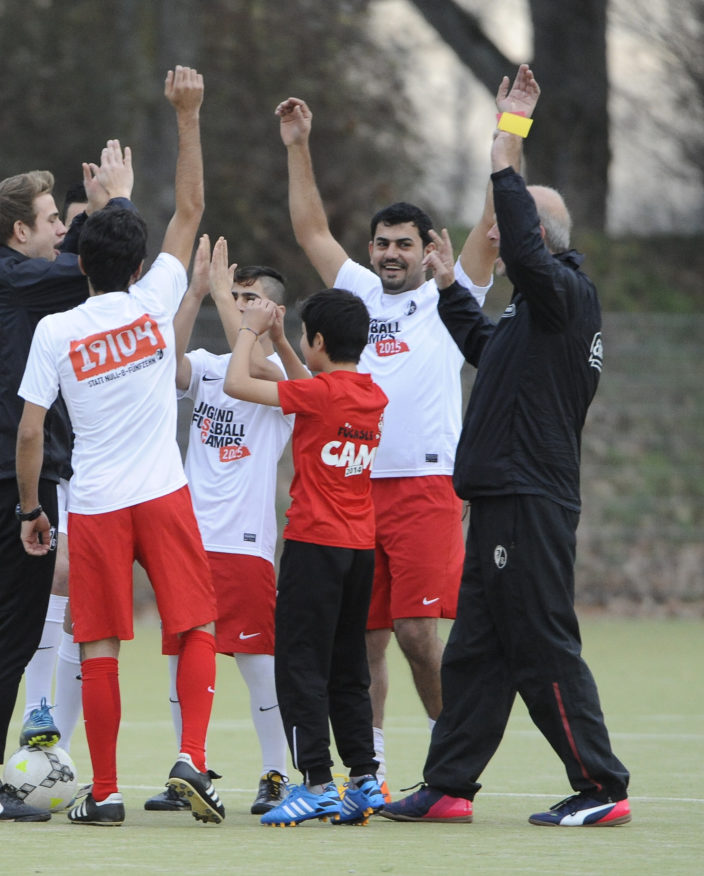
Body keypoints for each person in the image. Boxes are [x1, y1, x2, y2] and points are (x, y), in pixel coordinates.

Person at [380, 66, 631, 828]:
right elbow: (485, 347)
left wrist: (506, 145)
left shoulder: (561, 291)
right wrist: (453, 285)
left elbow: (521, 238)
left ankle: (601, 787)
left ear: (535, 241)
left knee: (540, 644)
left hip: (527, 499)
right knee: (476, 654)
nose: (495, 230)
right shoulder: (537, 317)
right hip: (500, 500)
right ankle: (450, 785)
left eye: (506, 226)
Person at [274, 68, 536, 793]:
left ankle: (452, 769)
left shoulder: (453, 294)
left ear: (428, 248)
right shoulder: (356, 290)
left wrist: (508, 129)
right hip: (354, 489)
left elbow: (493, 221)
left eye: (402, 244)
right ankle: (374, 769)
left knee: (422, 635)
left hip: (424, 486)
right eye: (381, 243)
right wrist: (299, 145)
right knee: (366, 640)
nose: (389, 253)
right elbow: (310, 231)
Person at [17, 66, 225, 827]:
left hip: (98, 502)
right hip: (163, 495)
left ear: (78, 264)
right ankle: (191, 757)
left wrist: (31, 508)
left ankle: (102, 793)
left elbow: (32, 428)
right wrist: (188, 115)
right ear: (139, 267)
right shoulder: (153, 300)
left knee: (98, 647)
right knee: (196, 626)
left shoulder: (57, 329)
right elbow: (193, 207)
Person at [0, 141, 135, 822]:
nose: (58, 228)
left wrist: (83, 215)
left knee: (8, 631)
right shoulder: (16, 281)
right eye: (49, 218)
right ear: (20, 234)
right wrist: (116, 205)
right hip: (14, 477)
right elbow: (97, 270)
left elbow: (65, 260)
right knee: (17, 636)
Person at [224, 288, 389, 827]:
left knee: (299, 668)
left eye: (301, 337)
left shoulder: (320, 396)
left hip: (315, 547)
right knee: (347, 668)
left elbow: (236, 383)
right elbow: (312, 384)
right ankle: (364, 779)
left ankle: (316, 783)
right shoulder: (370, 394)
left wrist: (249, 328)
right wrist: (279, 340)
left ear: (318, 341)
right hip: (358, 551)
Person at [144, 237, 293, 815]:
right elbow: (169, 356)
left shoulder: (274, 370)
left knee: (259, 667)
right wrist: (196, 291)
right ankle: (192, 766)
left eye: (250, 298)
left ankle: (276, 772)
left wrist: (239, 313)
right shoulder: (208, 367)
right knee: (183, 663)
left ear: (274, 312)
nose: (238, 305)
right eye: (235, 298)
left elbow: (249, 358)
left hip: (244, 545)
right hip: (188, 539)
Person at [16, 180, 91, 755]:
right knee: (57, 578)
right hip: (61, 463)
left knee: (88, 607)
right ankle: (37, 713)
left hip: (113, 467)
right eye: (65, 222)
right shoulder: (43, 299)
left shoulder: (121, 304)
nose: (71, 235)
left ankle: (58, 746)